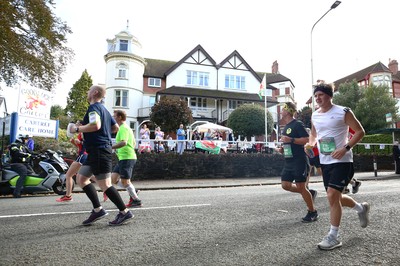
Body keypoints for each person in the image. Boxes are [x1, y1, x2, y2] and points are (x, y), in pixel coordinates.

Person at [308, 83, 370, 250]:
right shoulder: (315, 115)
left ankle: (333, 236)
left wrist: (345, 148)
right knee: (335, 198)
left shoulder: (343, 111)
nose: (318, 98)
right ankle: (361, 208)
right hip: (325, 161)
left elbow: (360, 131)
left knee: (331, 195)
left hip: (343, 161)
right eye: (316, 96)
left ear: (330, 95)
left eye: (320, 95)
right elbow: (314, 133)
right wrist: (310, 144)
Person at [69, 85, 133, 226]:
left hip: (99, 150)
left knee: (106, 185)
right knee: (81, 178)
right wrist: (101, 132)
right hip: (94, 151)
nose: (87, 92)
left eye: (89, 89)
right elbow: (115, 127)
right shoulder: (104, 110)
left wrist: (77, 128)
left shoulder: (94, 108)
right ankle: (98, 210)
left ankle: (124, 212)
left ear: (95, 92)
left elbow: (96, 125)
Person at [275, 102, 318, 223]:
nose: (281, 111)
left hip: (299, 160)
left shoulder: (297, 124)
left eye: (283, 109)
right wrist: (282, 149)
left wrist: (291, 139)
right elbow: (288, 143)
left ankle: (312, 211)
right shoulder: (287, 126)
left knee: (300, 186)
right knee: (285, 185)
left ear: (288, 111)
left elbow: (306, 139)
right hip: (289, 161)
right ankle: (308, 193)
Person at [110, 110, 142, 208]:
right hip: (123, 158)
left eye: (114, 116)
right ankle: (132, 190)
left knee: (125, 181)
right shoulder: (124, 128)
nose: (113, 118)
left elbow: (123, 142)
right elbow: (133, 144)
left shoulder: (123, 128)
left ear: (119, 117)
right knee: (113, 179)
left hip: (127, 158)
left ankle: (136, 200)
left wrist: (111, 147)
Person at [56, 125, 87, 202]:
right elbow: (80, 146)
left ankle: (68, 195)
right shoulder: (81, 134)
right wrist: (74, 142)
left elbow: (87, 144)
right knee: (87, 176)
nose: (75, 126)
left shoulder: (84, 133)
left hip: (83, 155)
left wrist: (80, 142)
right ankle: (106, 189)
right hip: (84, 155)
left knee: (69, 175)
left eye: (77, 124)